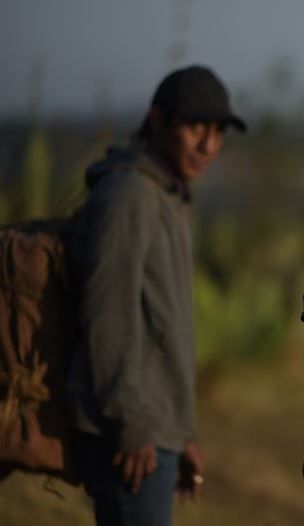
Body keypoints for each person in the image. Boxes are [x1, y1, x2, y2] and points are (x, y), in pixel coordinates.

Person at [67, 65, 246, 526]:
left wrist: (182, 433)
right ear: (157, 120)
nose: (208, 145)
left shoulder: (169, 195)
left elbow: (163, 328)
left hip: (156, 430)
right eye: (194, 127)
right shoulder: (130, 194)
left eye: (217, 132)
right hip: (132, 436)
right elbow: (108, 312)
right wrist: (131, 423)